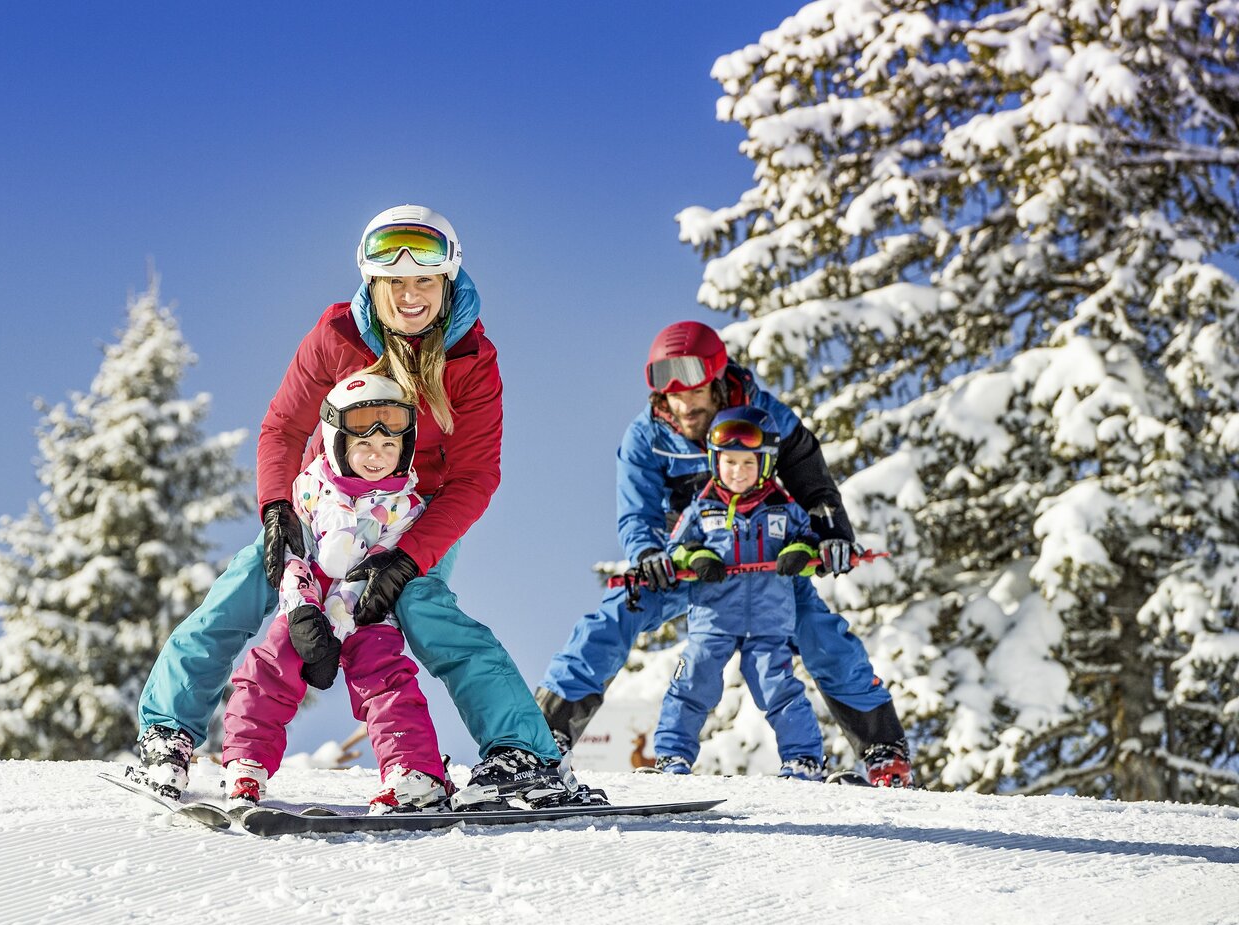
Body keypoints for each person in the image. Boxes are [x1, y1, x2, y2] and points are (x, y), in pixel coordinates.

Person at [132, 204, 596, 810]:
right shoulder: (336, 338)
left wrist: (406, 559)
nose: (410, 295)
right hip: (322, 501)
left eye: (424, 281)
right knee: (244, 588)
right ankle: (167, 730)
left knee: (426, 611)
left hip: (410, 515)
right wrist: (277, 512)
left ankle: (522, 754)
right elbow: (281, 429)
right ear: (372, 283)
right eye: (395, 282)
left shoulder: (471, 363)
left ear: (447, 281)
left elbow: (475, 475)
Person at [535, 320, 914, 788]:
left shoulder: (765, 415)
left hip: (767, 563)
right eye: (671, 393)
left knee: (823, 635)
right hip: (693, 563)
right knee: (612, 618)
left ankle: (883, 753)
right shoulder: (647, 436)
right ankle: (541, 739)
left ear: (716, 380)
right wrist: (650, 554)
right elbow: (636, 512)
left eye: (693, 391)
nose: (683, 404)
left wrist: (831, 534)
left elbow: (813, 484)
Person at [221, 374, 452, 815]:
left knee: (383, 675)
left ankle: (413, 772)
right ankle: (246, 761)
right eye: (364, 444)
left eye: (389, 447)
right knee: (272, 665)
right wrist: (306, 610)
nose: (376, 456)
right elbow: (294, 552)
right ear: (338, 441)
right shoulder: (309, 488)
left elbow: (379, 563)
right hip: (305, 600)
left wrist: (340, 616)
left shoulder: (406, 507)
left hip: (365, 606)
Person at [648, 406, 826, 781]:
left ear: (764, 465)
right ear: (716, 462)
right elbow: (677, 546)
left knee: (778, 687)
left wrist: (799, 552)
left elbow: (810, 540)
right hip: (713, 617)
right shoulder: (703, 508)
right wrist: (697, 557)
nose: (738, 471)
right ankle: (671, 756)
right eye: (730, 462)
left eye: (748, 463)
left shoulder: (783, 508)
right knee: (693, 679)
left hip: (768, 619)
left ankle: (803, 759)